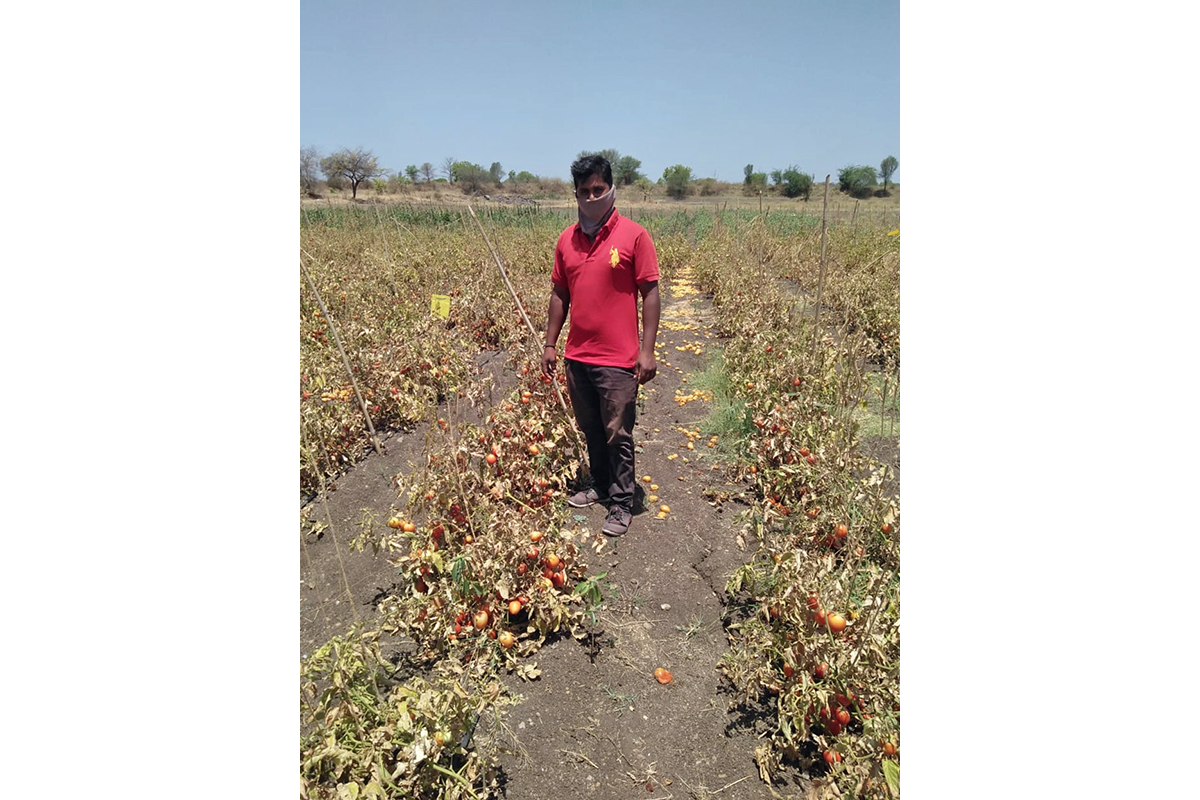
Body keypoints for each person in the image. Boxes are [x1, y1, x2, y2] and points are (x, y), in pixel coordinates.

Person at [541, 154, 660, 536]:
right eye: (584, 191)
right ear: (574, 194)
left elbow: (651, 294)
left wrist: (647, 350)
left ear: (611, 189)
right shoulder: (567, 240)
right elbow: (560, 294)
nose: (592, 196)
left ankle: (622, 501)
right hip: (578, 356)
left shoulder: (634, 235)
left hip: (618, 359)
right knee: (591, 427)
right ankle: (598, 483)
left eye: (598, 189)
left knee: (618, 432)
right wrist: (550, 343)